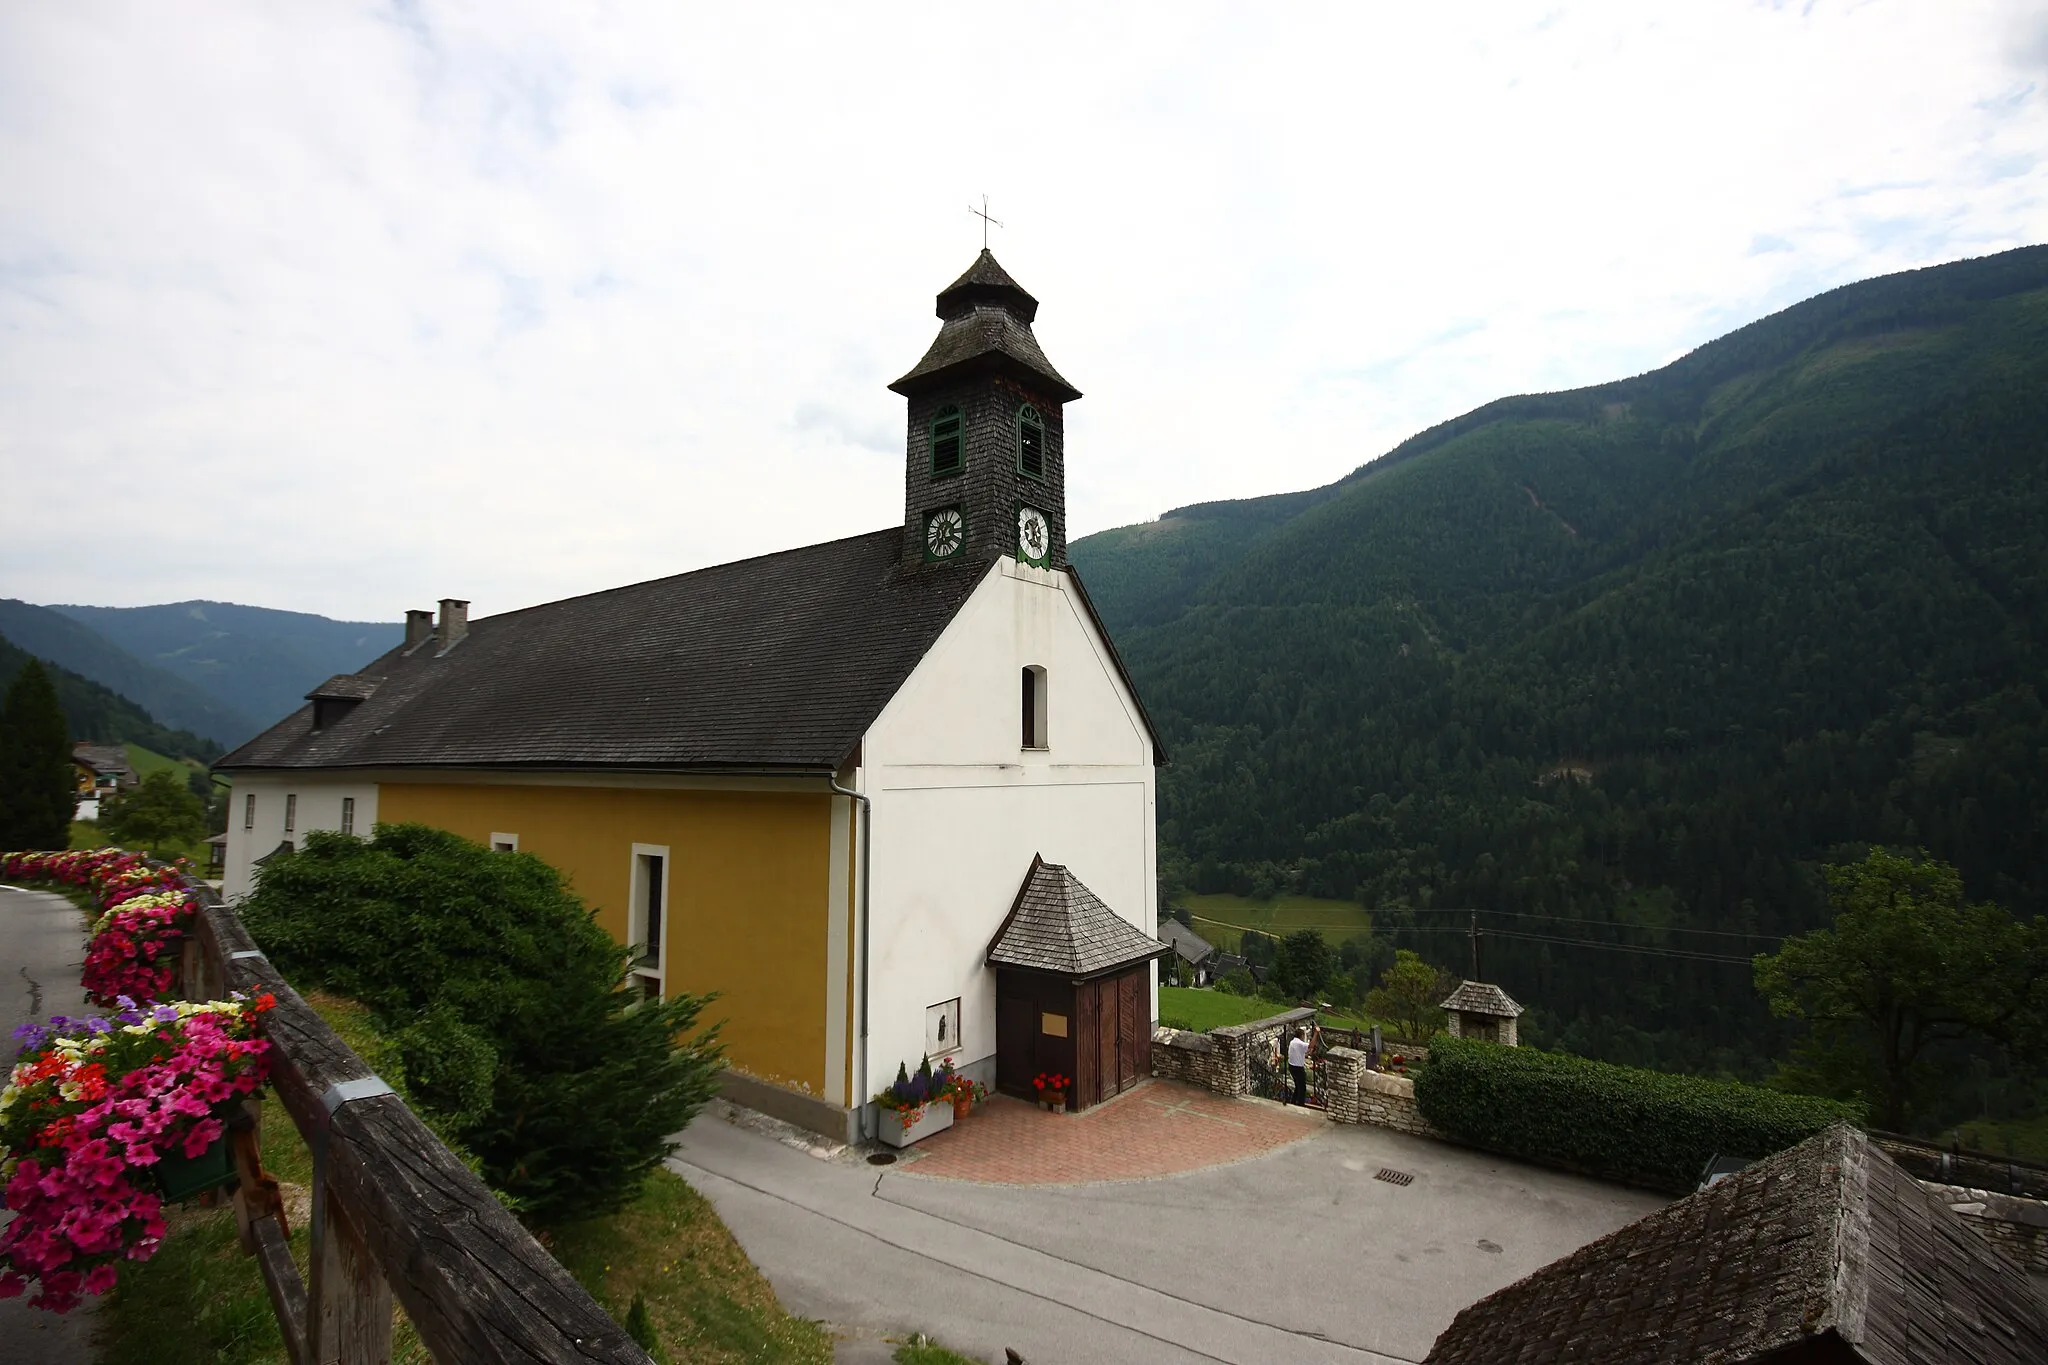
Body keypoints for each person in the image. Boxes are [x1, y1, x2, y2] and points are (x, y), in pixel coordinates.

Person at [1286, 1027, 1310, 1105]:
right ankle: (1300, 1104)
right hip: (1298, 1068)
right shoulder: (1299, 1043)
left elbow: (1300, 1052)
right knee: (1302, 1088)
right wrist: (1316, 1033)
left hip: (1291, 1066)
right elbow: (1311, 1046)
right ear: (1302, 1035)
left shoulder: (1292, 1042)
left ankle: (1293, 1101)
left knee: (1297, 1086)